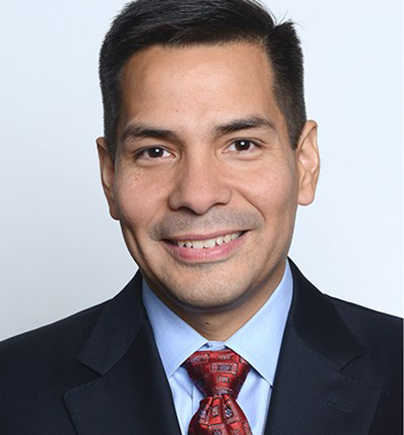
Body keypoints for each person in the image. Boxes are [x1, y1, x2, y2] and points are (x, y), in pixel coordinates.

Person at [0, 0, 402, 434]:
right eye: (155, 152)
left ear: (304, 162)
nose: (198, 195)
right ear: (110, 175)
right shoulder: (11, 391)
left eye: (242, 145)